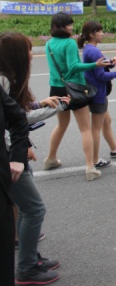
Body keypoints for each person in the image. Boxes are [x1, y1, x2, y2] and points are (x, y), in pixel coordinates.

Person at [0, 32, 55, 283]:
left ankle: (30, 258)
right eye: (29, 49)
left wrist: (42, 104)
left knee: (26, 208)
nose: (32, 54)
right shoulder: (4, 80)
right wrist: (18, 152)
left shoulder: (9, 78)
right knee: (34, 209)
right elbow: (11, 122)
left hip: (14, 154)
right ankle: (27, 267)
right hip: (11, 158)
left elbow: (15, 111)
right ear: (18, 55)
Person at [45, 10, 97, 176]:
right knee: (85, 128)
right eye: (68, 24)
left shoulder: (49, 44)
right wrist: (95, 65)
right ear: (61, 26)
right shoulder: (69, 43)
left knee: (61, 124)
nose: (71, 27)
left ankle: (51, 158)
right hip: (74, 88)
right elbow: (73, 66)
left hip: (56, 88)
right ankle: (90, 167)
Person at [77, 23, 116, 165]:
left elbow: (99, 65)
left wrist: (111, 63)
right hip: (98, 93)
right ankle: (94, 160)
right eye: (99, 31)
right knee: (96, 128)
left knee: (107, 121)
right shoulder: (95, 52)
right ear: (91, 34)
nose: (102, 33)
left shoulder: (88, 49)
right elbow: (100, 75)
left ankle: (114, 149)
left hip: (93, 91)